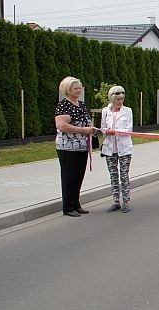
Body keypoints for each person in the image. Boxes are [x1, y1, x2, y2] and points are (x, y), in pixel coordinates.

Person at [54, 76, 96, 217]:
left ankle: (76, 203)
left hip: (82, 147)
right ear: (68, 90)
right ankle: (68, 207)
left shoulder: (82, 104)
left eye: (80, 88)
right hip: (67, 148)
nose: (79, 90)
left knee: (78, 176)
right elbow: (62, 125)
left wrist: (91, 129)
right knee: (69, 177)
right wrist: (83, 130)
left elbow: (87, 121)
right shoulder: (63, 105)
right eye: (75, 88)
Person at [100, 86, 134, 214]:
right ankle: (115, 201)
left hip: (124, 148)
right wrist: (106, 132)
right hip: (110, 148)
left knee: (124, 174)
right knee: (113, 175)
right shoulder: (105, 111)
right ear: (112, 99)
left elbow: (129, 129)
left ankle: (126, 201)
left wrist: (117, 132)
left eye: (122, 99)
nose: (120, 101)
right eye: (118, 99)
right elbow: (102, 127)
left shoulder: (127, 111)